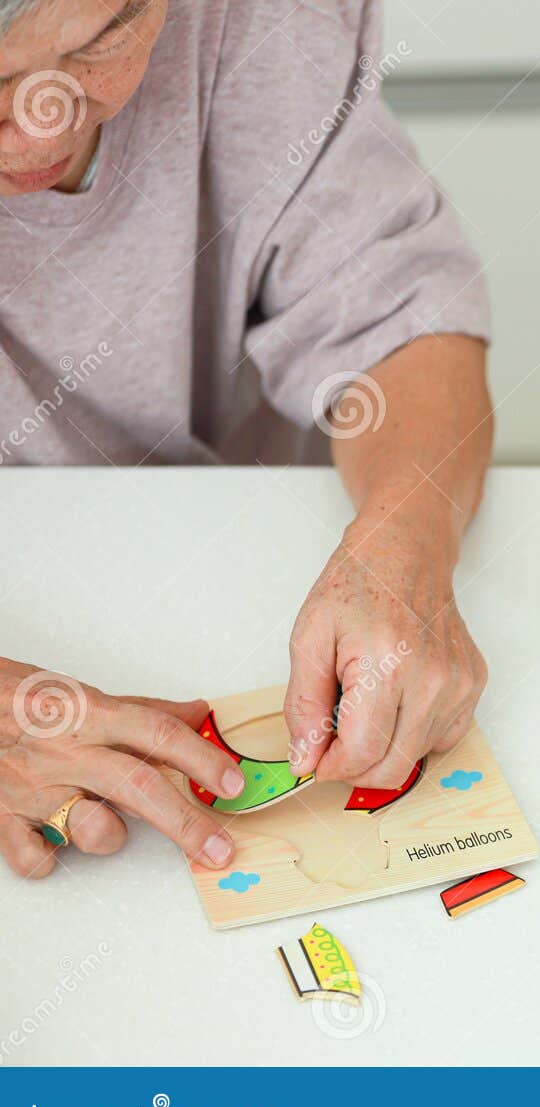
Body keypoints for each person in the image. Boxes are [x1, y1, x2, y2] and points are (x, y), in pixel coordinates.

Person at [0, 0, 493, 878]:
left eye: (97, 43)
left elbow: (397, 322)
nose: (44, 119)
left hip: (245, 556)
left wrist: (406, 534)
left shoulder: (265, 16)